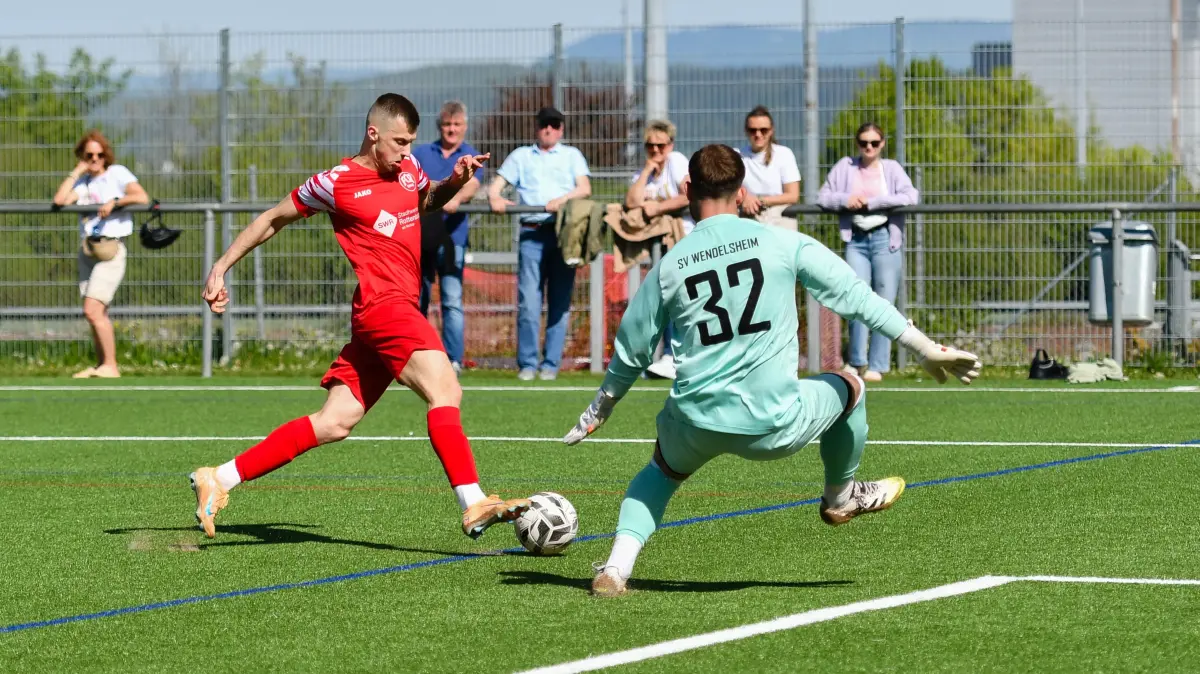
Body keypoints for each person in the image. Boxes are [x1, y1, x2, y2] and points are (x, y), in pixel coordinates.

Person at [563, 144, 980, 597]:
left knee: (659, 472)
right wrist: (922, 346)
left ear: (687, 190)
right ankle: (840, 495)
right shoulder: (781, 242)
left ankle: (615, 569)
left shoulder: (670, 266)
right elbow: (855, 296)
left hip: (696, 421)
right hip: (774, 423)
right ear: (741, 193)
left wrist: (598, 409)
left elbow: (632, 348)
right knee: (853, 386)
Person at [189, 94, 529, 541]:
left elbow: (424, 200)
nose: (408, 151)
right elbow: (274, 218)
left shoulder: (407, 169)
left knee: (334, 422)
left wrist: (453, 180)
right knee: (445, 386)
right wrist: (221, 266)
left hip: (392, 310)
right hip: (382, 306)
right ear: (374, 135)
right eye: (400, 142)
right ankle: (474, 501)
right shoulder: (337, 182)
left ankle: (220, 477)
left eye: (411, 142)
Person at [487, 106, 591, 381]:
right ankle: (528, 364)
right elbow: (495, 186)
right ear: (537, 127)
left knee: (560, 302)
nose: (549, 129)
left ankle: (551, 364)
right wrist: (495, 197)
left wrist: (562, 200)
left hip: (563, 235)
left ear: (561, 129)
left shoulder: (572, 156)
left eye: (554, 125)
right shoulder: (521, 156)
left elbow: (584, 188)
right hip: (531, 234)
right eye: (545, 124)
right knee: (529, 303)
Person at [818, 122, 919, 383]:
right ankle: (856, 361)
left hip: (886, 238)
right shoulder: (845, 166)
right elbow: (824, 196)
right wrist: (845, 200)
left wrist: (873, 203)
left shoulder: (892, 169)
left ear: (882, 144)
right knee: (855, 298)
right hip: (856, 239)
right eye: (864, 143)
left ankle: (878, 364)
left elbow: (910, 196)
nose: (869, 148)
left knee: (884, 301)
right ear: (857, 144)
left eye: (874, 143)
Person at [51, 129, 150, 379]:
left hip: (111, 249)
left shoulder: (117, 174)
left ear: (106, 155)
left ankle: (111, 365)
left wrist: (115, 202)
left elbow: (141, 196)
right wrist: (77, 171)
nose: (94, 159)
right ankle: (102, 364)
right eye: (89, 155)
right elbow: (60, 200)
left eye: (99, 154)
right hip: (89, 249)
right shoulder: (84, 183)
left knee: (92, 309)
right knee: (95, 312)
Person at [412, 101, 483, 375]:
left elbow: (473, 184)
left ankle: (454, 360)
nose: (451, 130)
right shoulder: (421, 153)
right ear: (440, 126)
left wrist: (455, 194)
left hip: (453, 240)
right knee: (419, 298)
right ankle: (416, 356)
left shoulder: (471, 154)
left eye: (456, 125)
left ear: (464, 127)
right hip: (419, 237)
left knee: (452, 299)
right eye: (447, 125)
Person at [625, 119, 691, 381]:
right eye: (650, 146)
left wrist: (659, 207)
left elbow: (688, 195)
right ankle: (664, 356)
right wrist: (646, 171)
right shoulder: (648, 170)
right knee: (662, 300)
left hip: (683, 239)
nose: (655, 151)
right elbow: (632, 202)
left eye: (660, 146)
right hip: (659, 246)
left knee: (677, 298)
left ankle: (674, 357)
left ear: (670, 145)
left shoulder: (676, 162)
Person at [738, 105, 800, 230]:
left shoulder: (784, 154)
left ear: (771, 131)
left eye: (763, 130)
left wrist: (759, 201)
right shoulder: (738, 155)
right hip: (749, 222)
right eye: (753, 130)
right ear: (746, 131)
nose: (758, 134)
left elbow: (793, 195)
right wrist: (745, 198)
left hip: (779, 221)